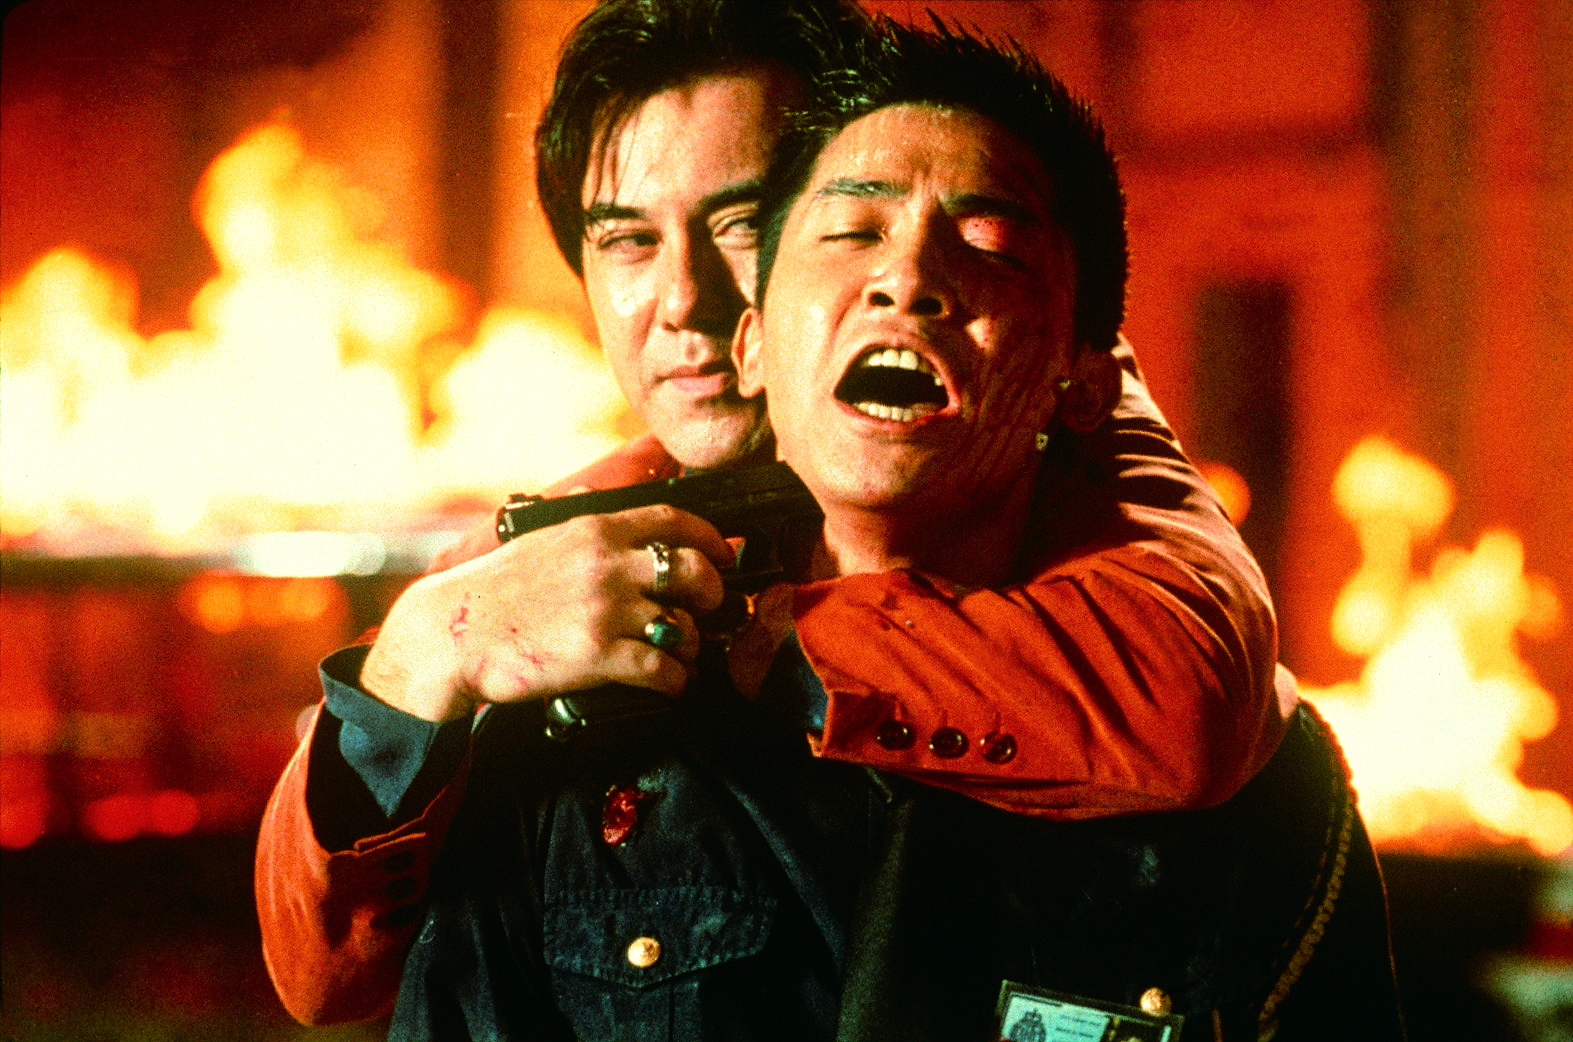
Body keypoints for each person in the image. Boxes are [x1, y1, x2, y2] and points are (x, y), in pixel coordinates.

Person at [255, 0, 1296, 1029]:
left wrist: (752, 627)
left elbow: (1185, 686)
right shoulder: (560, 556)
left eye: (742, 223)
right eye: (627, 242)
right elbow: (320, 966)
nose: (685, 299)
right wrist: (431, 645)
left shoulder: (1073, 425)